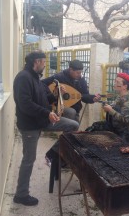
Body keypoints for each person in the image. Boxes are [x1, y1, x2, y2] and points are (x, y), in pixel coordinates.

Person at [13, 50, 79, 206]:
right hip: (30, 125)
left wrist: (57, 94)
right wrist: (47, 113)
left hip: (42, 120)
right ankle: (21, 195)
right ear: (36, 62)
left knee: (73, 125)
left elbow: (44, 98)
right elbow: (25, 104)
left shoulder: (36, 78)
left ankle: (55, 153)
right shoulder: (23, 78)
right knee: (29, 159)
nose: (44, 65)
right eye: (43, 62)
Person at [42, 59, 101, 164]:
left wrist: (93, 99)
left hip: (75, 109)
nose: (80, 74)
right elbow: (41, 84)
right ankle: (57, 156)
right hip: (59, 109)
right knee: (72, 117)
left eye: (81, 72)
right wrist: (53, 96)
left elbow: (83, 96)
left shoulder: (81, 80)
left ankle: (59, 158)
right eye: (77, 72)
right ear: (70, 70)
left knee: (72, 134)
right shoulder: (59, 77)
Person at [85, 73, 129, 143]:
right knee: (94, 127)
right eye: (115, 81)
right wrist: (105, 105)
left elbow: (125, 120)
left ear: (125, 86)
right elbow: (113, 107)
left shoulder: (128, 101)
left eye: (117, 82)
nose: (114, 84)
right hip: (115, 127)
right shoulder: (119, 96)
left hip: (124, 132)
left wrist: (110, 110)